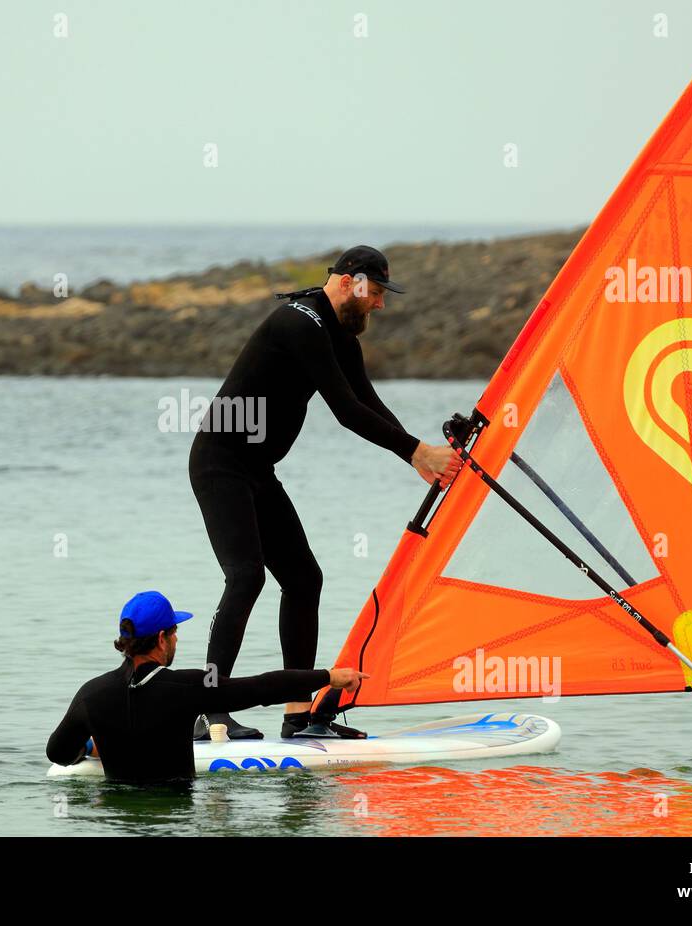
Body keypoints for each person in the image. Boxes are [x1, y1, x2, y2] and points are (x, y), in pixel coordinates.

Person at [188, 245, 461, 742]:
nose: (380, 304)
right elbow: (344, 410)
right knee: (245, 577)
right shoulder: (299, 323)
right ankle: (209, 711)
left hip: (256, 469)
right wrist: (418, 452)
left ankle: (298, 716)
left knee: (304, 579)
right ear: (347, 282)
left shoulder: (338, 337)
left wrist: (418, 455)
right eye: (375, 292)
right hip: (219, 464)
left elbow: (367, 401)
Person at [46, 590, 366, 784]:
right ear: (162, 638)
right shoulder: (188, 686)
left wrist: (91, 747)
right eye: (174, 632)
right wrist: (329, 676)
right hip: (176, 817)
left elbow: (57, 752)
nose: (176, 638)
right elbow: (261, 688)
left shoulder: (91, 694)